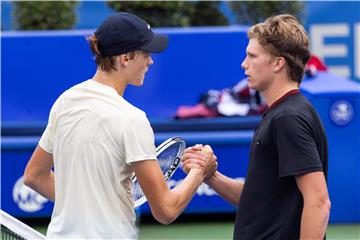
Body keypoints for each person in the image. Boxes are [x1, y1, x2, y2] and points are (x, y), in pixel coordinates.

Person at [23, 12, 216, 239]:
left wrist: (88, 206)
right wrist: (199, 172)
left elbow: (34, 177)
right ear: (125, 57)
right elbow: (166, 210)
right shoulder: (132, 119)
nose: (150, 61)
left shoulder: (65, 101)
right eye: (146, 53)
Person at [182, 14, 331, 239]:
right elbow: (257, 200)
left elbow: (318, 201)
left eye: (252, 56)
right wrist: (210, 175)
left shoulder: (287, 118)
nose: (244, 64)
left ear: (278, 63)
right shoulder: (282, 113)